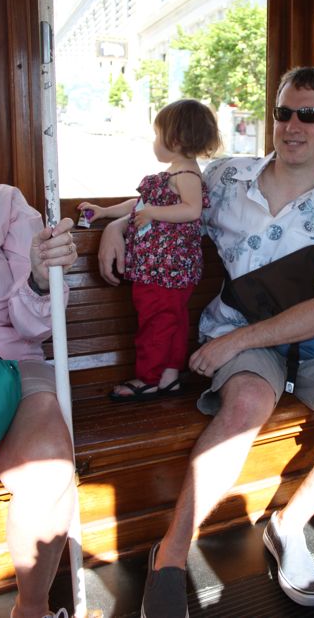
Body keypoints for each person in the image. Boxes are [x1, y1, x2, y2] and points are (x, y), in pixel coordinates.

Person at [98, 67, 314, 617]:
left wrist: (234, 340)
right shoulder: (226, 179)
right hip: (247, 336)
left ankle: (290, 525)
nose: (292, 125)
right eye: (284, 112)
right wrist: (117, 226)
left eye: (309, 115)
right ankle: (169, 556)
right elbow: (166, 197)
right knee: (244, 405)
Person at [79, 99, 221, 402]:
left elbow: (192, 210)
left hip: (165, 267)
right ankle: (168, 377)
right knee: (171, 321)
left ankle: (149, 378)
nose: (155, 142)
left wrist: (154, 213)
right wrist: (103, 212)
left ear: (176, 139)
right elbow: (140, 205)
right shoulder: (173, 174)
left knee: (155, 323)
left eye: (158, 135)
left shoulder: (187, 175)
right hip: (165, 267)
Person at [0, 183, 78, 618]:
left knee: (49, 465)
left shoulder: (5, 205)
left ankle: (31, 609)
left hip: (6, 360)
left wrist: (42, 279)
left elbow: (30, 326)